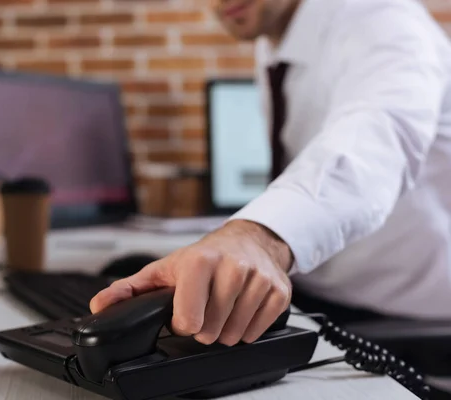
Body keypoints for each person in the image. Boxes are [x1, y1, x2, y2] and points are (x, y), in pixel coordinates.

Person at [91, 0, 451, 347]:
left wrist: (258, 239)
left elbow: (371, 148)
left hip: (401, 316)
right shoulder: (276, 42)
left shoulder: (385, 22)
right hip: (317, 293)